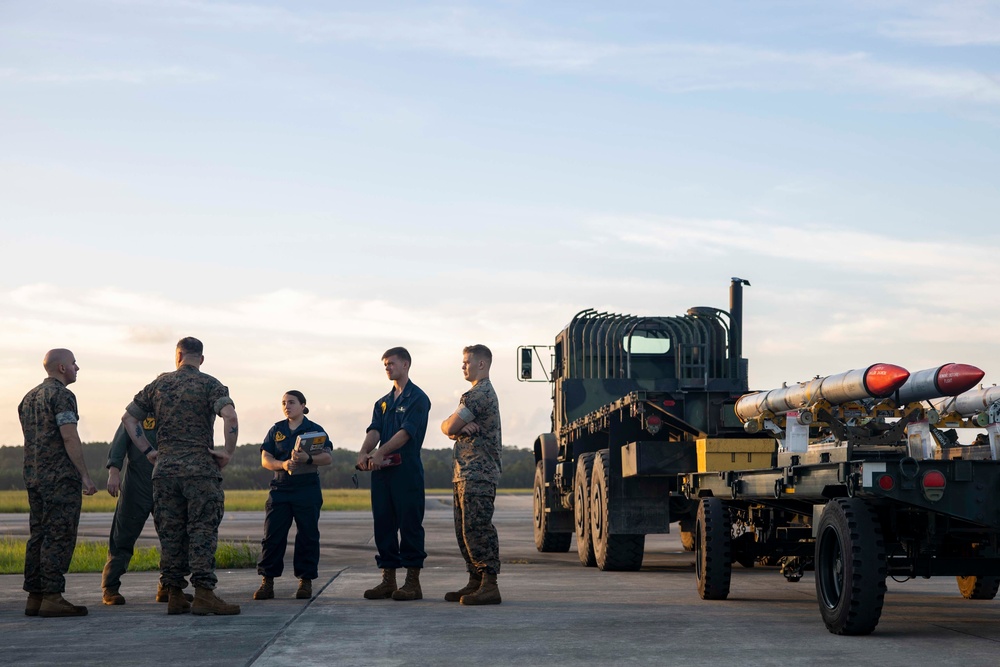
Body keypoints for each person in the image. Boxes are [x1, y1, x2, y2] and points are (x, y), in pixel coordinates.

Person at [122, 336, 241, 616]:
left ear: (178, 356)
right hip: (199, 470)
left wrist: (149, 451)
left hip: (164, 471)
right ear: (201, 358)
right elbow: (230, 417)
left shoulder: (158, 385)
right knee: (201, 530)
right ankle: (203, 594)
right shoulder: (210, 384)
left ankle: (174, 593)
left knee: (171, 532)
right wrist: (227, 453)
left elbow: (129, 419)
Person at [19, 348, 98, 618]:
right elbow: (68, 437)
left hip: (34, 475)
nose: (78, 368)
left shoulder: (28, 398)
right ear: (62, 368)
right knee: (59, 535)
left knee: (38, 535)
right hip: (59, 478)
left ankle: (35, 595)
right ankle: (52, 596)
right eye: (74, 364)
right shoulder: (62, 395)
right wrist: (84, 475)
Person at [356, 347, 431, 601]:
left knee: (410, 524)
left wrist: (381, 452)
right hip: (382, 473)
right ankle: (388, 579)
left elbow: (406, 433)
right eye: (385, 364)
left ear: (406, 364)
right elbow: (375, 430)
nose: (387, 367)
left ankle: (413, 582)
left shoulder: (417, 398)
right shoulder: (383, 402)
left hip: (406, 471)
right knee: (383, 524)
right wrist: (365, 451)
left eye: (391, 363)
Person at [102, 413, 193, 606]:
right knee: (123, 535)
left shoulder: (176, 411)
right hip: (138, 483)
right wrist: (114, 471)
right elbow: (121, 439)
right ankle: (110, 588)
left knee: (173, 536)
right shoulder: (139, 412)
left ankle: (168, 586)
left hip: (168, 484)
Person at [254, 390, 333, 601]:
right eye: (283, 403)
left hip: (307, 488)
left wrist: (308, 458)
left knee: (307, 536)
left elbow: (327, 457)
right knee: (272, 537)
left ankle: (305, 582)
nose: (286, 406)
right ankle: (267, 582)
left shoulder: (315, 430)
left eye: (291, 402)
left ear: (303, 405)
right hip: (280, 488)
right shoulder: (276, 430)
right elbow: (265, 458)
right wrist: (282, 464)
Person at [440, 344, 503, 605]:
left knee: (476, 528)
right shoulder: (474, 395)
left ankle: (489, 584)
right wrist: (457, 428)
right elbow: (448, 427)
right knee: (464, 530)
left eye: (467, 361)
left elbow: (448, 426)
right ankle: (475, 580)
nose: (462, 366)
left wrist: (456, 428)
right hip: (465, 472)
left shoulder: (479, 394)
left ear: (482, 364)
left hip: (478, 472)